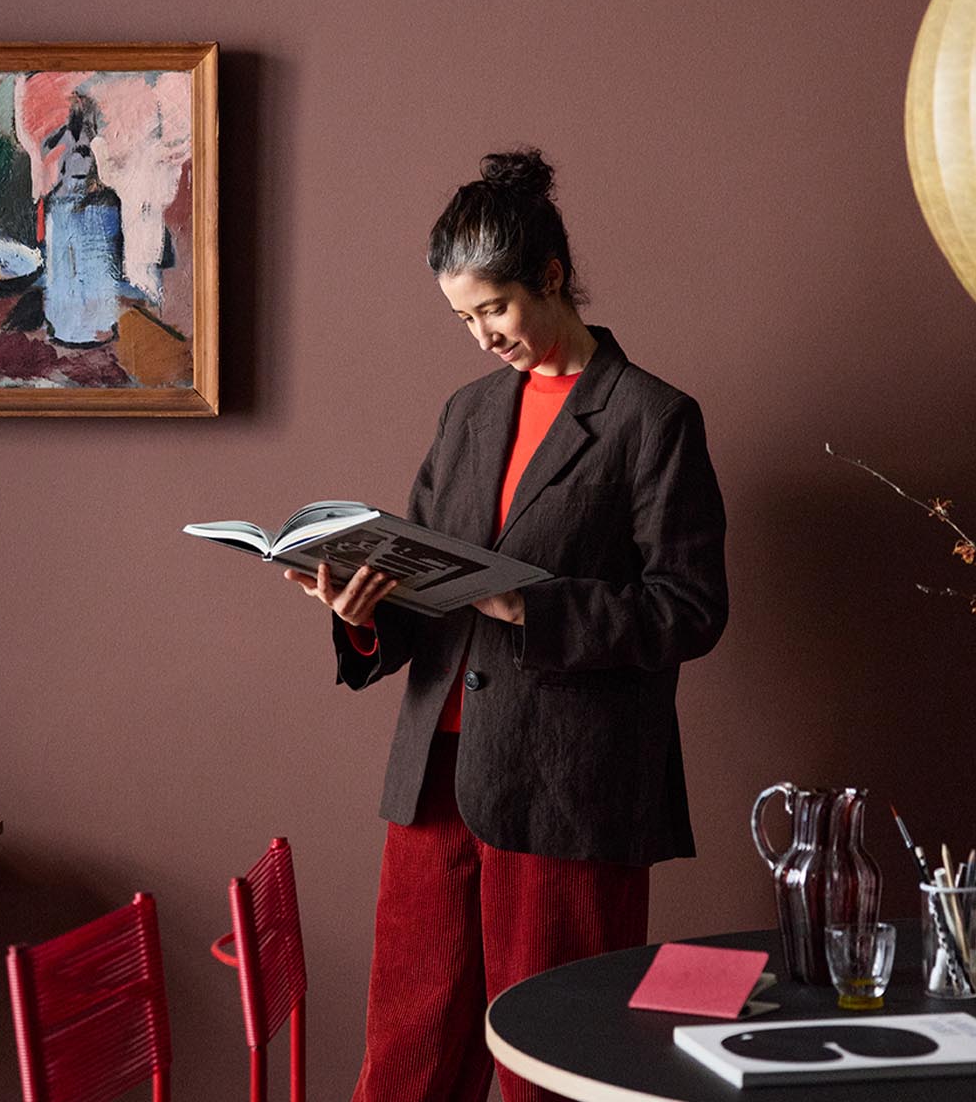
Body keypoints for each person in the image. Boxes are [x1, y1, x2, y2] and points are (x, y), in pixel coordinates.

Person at [285, 148, 729, 1102]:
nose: (482, 336)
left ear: (553, 279)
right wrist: (362, 611)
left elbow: (688, 610)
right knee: (405, 1059)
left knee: (553, 1061)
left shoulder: (652, 419)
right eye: (463, 319)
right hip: (434, 776)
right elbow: (419, 572)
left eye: (494, 309)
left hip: (564, 786)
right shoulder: (468, 414)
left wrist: (530, 603)